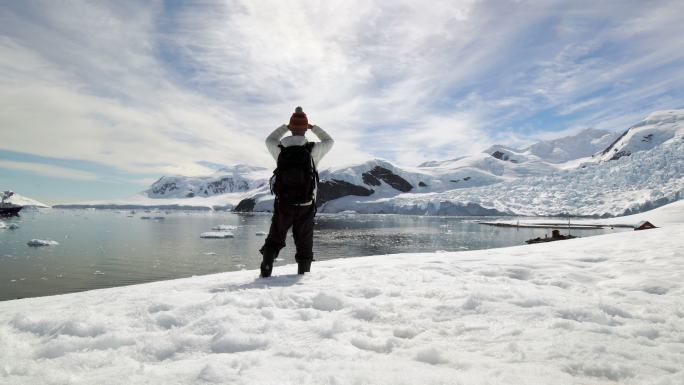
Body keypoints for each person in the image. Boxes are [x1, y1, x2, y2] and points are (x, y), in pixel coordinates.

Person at [259, 107, 334, 277]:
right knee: (304, 241)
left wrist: (286, 127)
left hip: (284, 204)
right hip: (306, 205)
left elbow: (269, 139)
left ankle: (266, 271)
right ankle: (303, 274)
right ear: (305, 127)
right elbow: (329, 140)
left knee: (275, 238)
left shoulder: (280, 149)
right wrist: (313, 128)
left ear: (291, 127)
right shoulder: (314, 149)